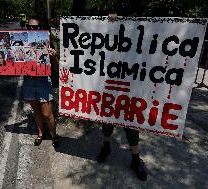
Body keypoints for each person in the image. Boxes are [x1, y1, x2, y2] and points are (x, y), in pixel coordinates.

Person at [71, 0, 148, 181]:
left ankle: (136, 159)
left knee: (130, 123)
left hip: (129, 87)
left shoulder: (137, 38)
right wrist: (108, 23)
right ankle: (106, 146)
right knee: (107, 118)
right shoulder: (108, 36)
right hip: (109, 85)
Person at [23, 17, 59, 147]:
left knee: (47, 114)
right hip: (28, 81)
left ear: (40, 28)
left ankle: (54, 135)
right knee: (36, 112)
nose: (32, 29)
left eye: (35, 27)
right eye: (30, 27)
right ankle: (40, 134)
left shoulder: (47, 42)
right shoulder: (22, 42)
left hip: (43, 80)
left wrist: (53, 56)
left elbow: (56, 68)